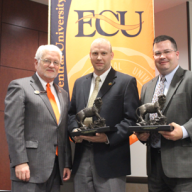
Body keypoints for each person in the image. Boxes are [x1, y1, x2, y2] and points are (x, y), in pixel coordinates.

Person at [135, 35, 192, 192]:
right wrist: (142, 135)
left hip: (185, 168)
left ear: (177, 54)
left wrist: (184, 131)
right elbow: (146, 120)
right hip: (154, 168)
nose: (162, 56)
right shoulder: (147, 87)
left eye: (167, 51)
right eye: (158, 53)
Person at [68, 38, 139, 192]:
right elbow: (71, 113)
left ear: (111, 55)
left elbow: (132, 119)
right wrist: (74, 131)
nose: (99, 57)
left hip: (111, 160)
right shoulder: (79, 83)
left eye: (103, 53)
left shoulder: (126, 82)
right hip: (81, 157)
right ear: (90, 55)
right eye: (95, 53)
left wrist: (107, 138)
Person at [4, 45, 72, 192]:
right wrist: (20, 162)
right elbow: (13, 129)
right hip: (29, 169)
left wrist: (66, 163)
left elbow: (62, 131)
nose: (52, 65)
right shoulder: (20, 86)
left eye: (56, 62)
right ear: (36, 62)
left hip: (56, 169)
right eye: (47, 61)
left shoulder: (63, 94)